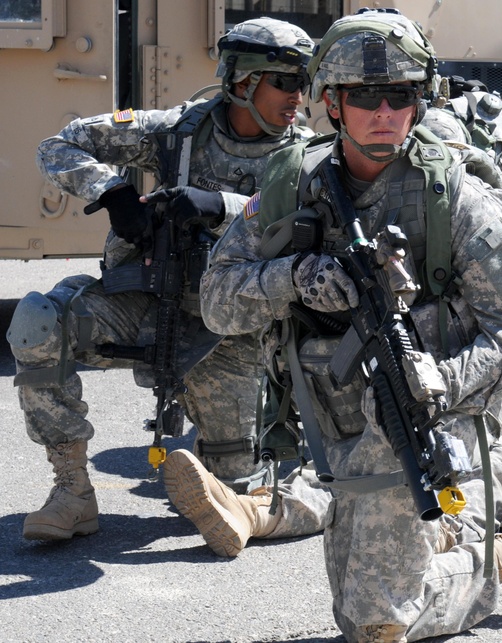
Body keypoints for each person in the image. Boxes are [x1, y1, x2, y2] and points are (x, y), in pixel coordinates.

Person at [166, 8, 502, 640]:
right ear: (332, 103)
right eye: (366, 96)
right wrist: (294, 277)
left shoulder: (456, 199)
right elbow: (218, 302)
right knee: (365, 599)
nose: (386, 112)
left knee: (374, 622)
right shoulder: (293, 186)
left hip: (436, 411)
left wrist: (441, 378)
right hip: (332, 418)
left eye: (402, 95)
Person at [9, 18, 327, 543]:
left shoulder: (306, 154)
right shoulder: (177, 131)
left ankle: (219, 468)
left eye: (304, 83)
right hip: (146, 302)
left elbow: (309, 224)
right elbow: (58, 146)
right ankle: (71, 491)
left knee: (233, 493)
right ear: (243, 83)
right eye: (286, 82)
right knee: (39, 322)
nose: (299, 97)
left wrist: (219, 207)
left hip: (232, 332)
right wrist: (111, 192)